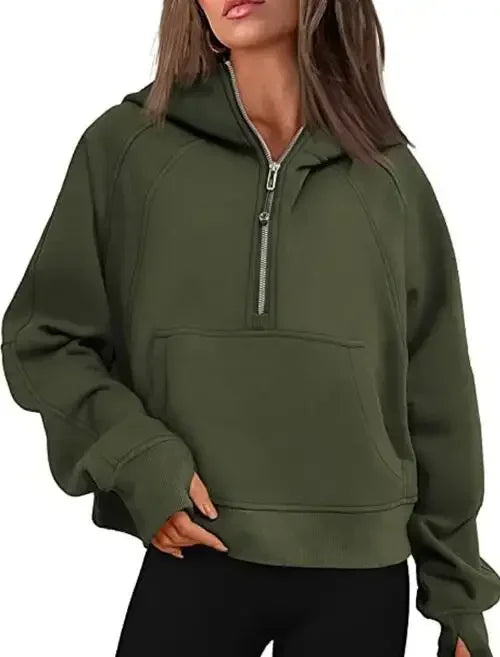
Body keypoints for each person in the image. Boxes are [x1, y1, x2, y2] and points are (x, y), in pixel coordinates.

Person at [2, 0, 499, 655]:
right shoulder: (128, 149)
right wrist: (137, 456)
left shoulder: (390, 180)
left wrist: (458, 596)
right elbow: (43, 339)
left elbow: (439, 394)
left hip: (359, 570)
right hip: (198, 545)